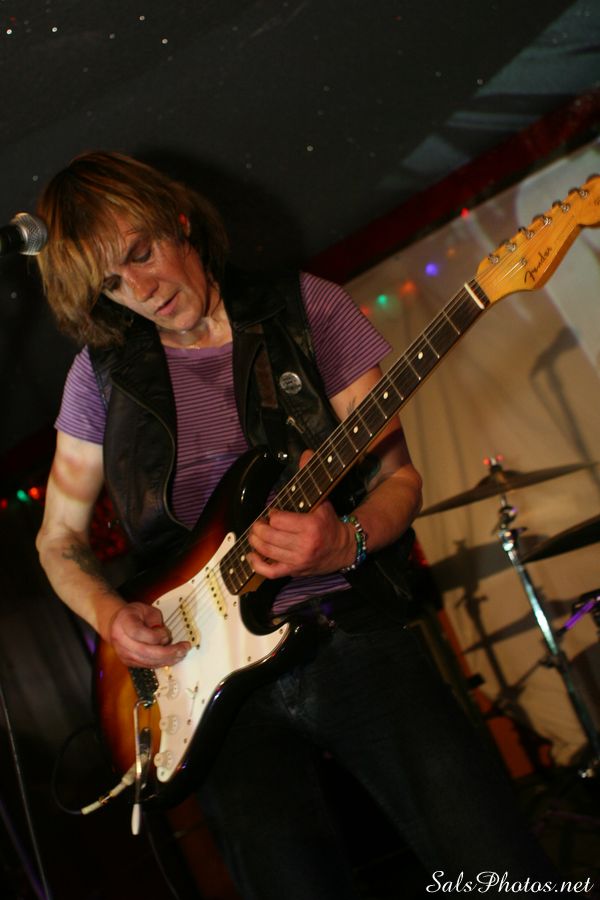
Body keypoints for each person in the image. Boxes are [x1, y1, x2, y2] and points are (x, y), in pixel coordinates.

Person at [35, 151, 558, 899]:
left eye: (141, 253)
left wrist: (346, 541)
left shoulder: (307, 308)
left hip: (346, 631)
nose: (140, 291)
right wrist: (110, 614)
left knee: (492, 865)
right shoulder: (102, 374)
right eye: (113, 283)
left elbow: (399, 480)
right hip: (206, 687)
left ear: (179, 221)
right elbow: (57, 541)